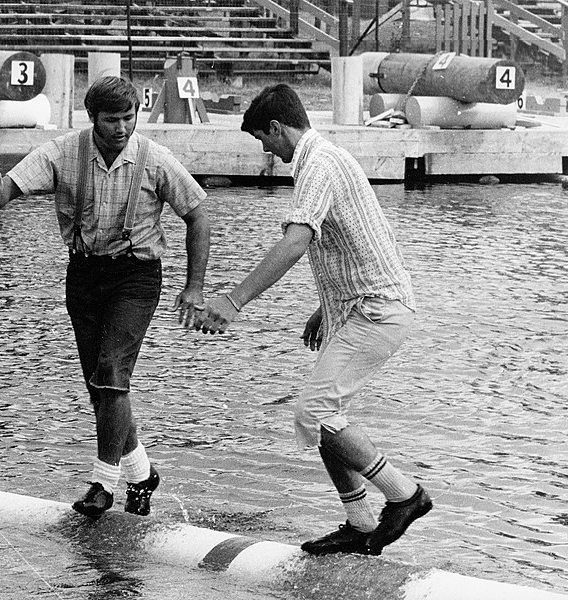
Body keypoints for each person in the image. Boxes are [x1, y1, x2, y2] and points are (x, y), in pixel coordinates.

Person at [193, 84, 431, 556]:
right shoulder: (328, 157)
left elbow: (296, 242)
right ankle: (360, 523)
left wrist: (233, 301)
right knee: (324, 416)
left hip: (377, 311)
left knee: (313, 412)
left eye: (265, 139)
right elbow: (359, 233)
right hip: (359, 306)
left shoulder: (317, 165)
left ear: (279, 128)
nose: (267, 151)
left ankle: (405, 496)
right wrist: (328, 305)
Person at [0, 76, 210, 520]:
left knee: (110, 375)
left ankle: (103, 483)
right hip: (84, 274)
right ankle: (142, 474)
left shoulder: (156, 159)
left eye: (129, 117)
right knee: (100, 388)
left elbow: (199, 215)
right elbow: (12, 185)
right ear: (92, 119)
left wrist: (193, 286)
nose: (122, 128)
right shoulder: (64, 152)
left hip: (136, 276)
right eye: (112, 120)